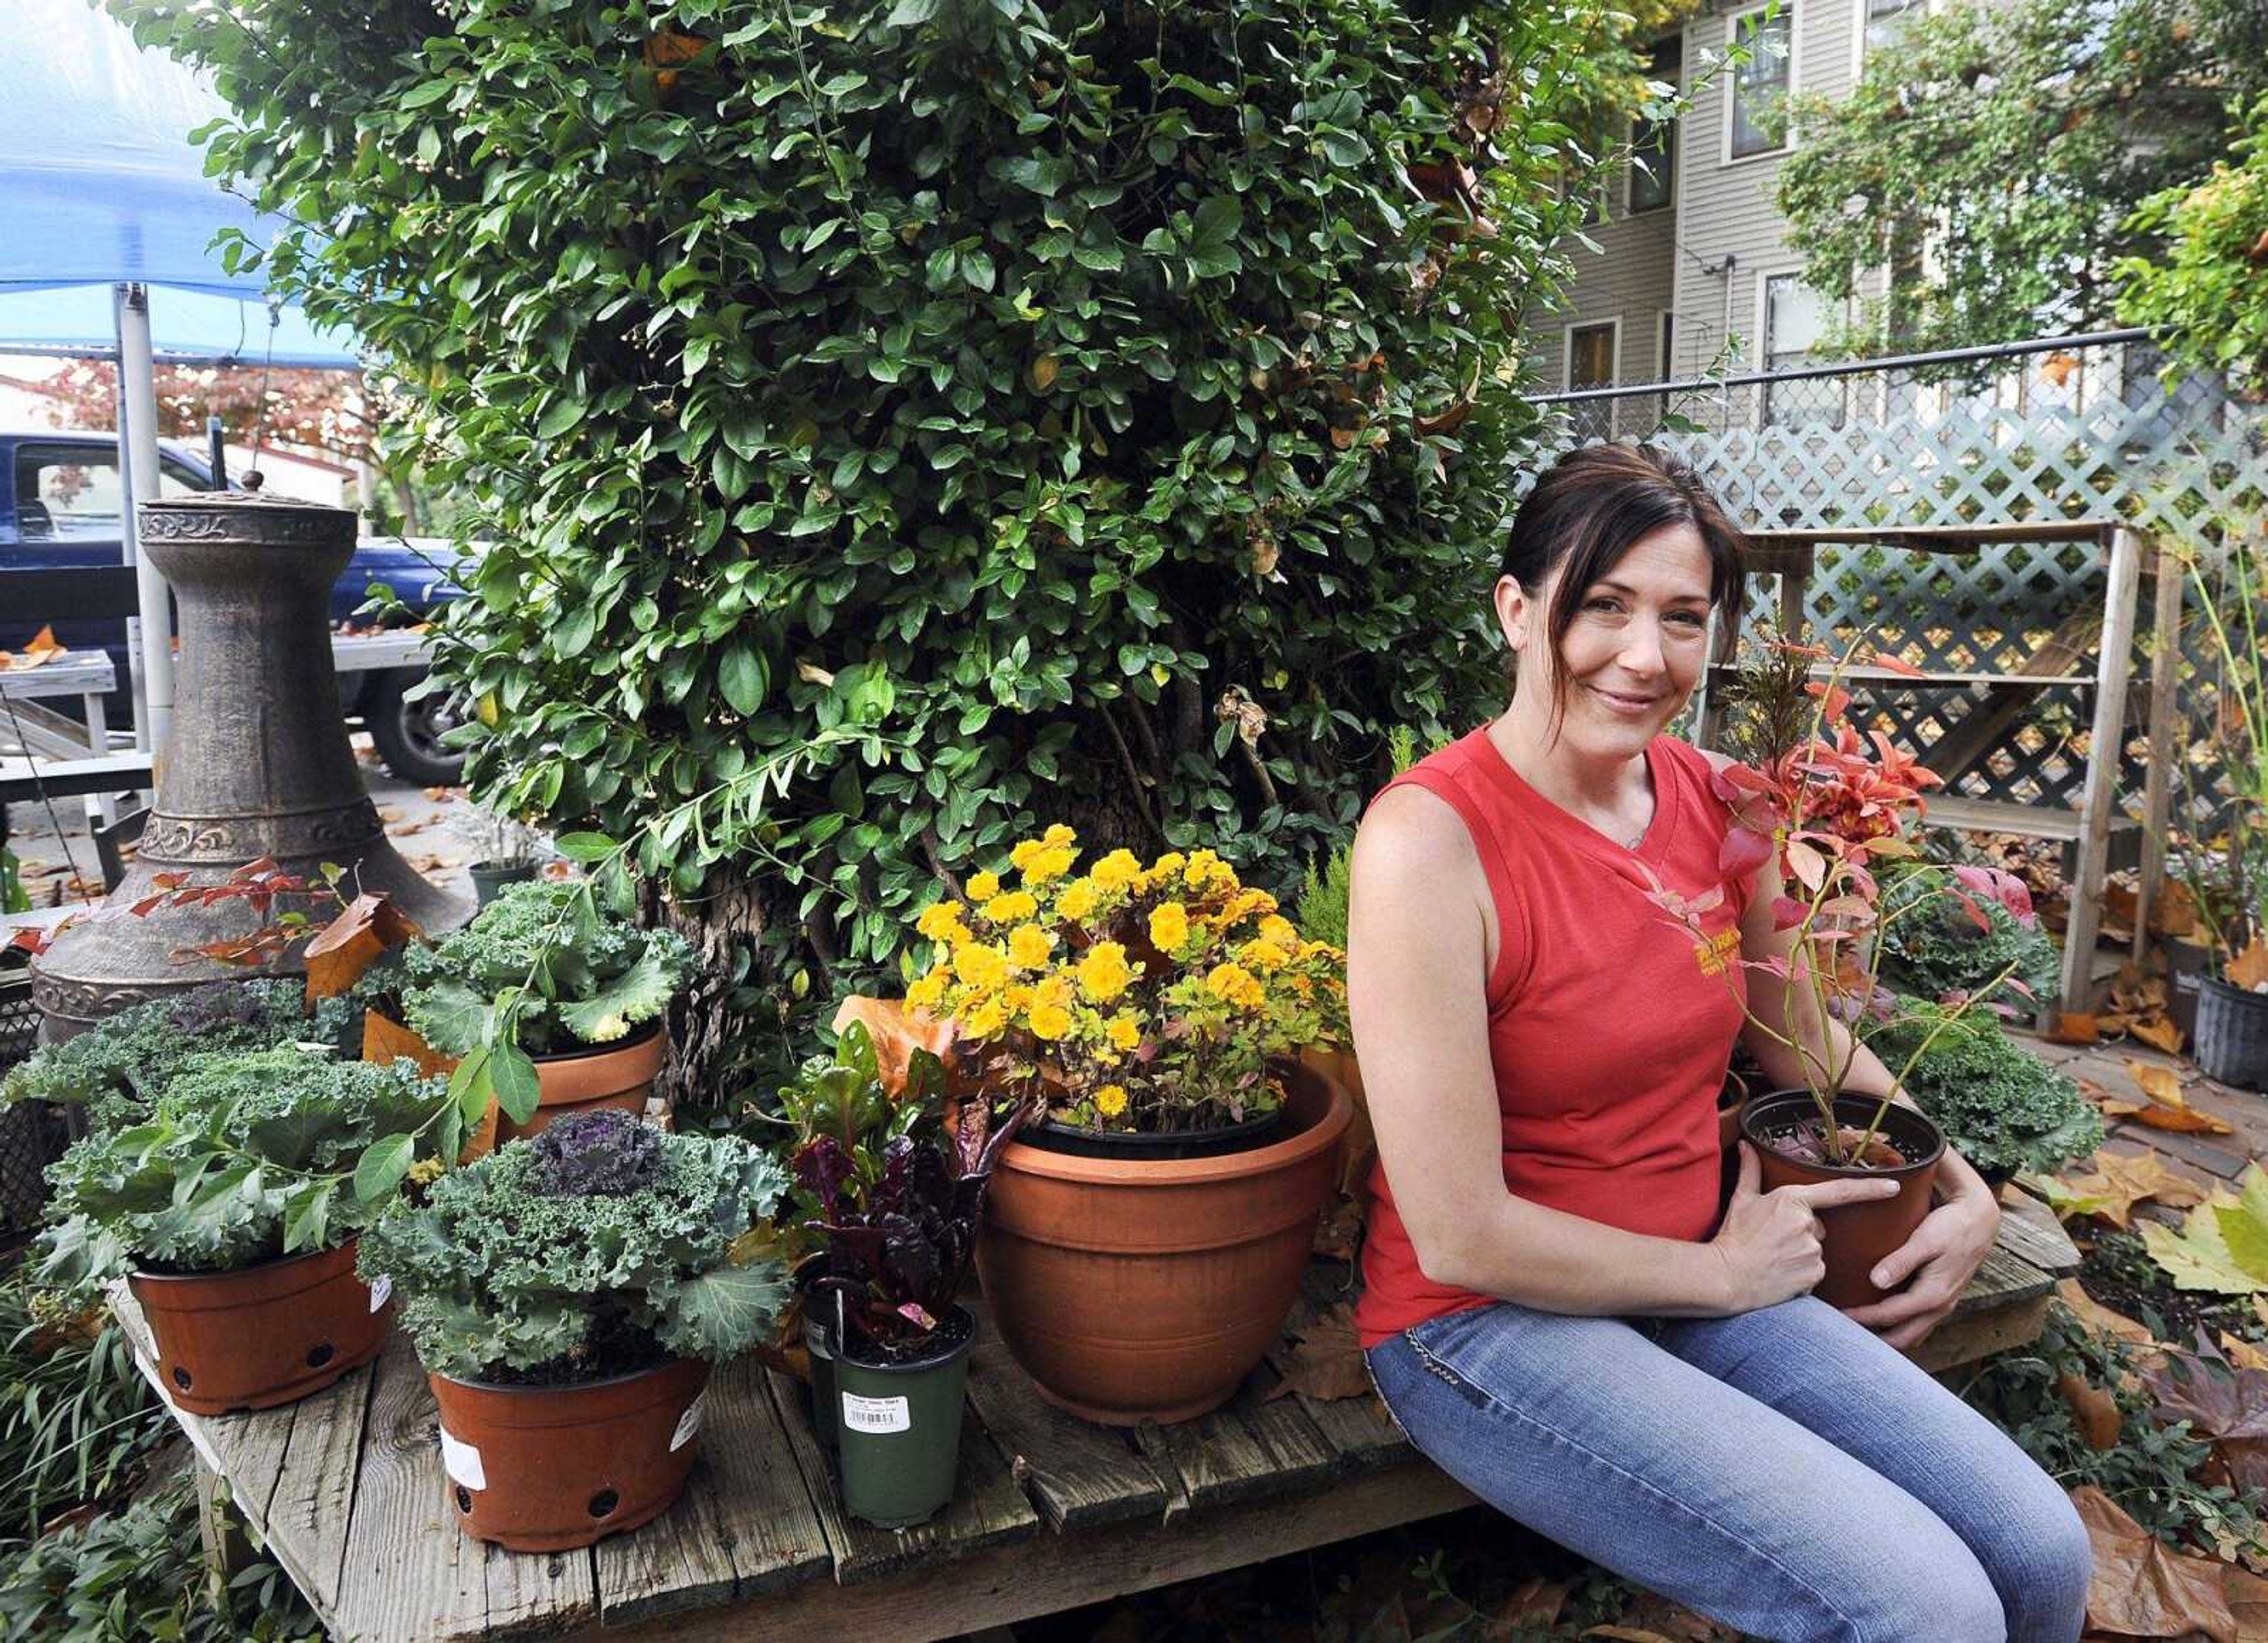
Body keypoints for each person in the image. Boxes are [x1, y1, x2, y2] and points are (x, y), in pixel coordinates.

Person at [1348, 444, 2091, 1643]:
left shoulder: (1711, 797)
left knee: (2039, 1549)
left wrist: (1958, 1184)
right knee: (1927, 1612)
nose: (1646, 655)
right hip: (1484, 1321)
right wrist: (1722, 1277)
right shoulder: (1430, 844)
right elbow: (1460, 1225)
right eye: (1604, 605)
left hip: (1701, 1268)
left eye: (1683, 618)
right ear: (1516, 609)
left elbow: (1797, 1030)